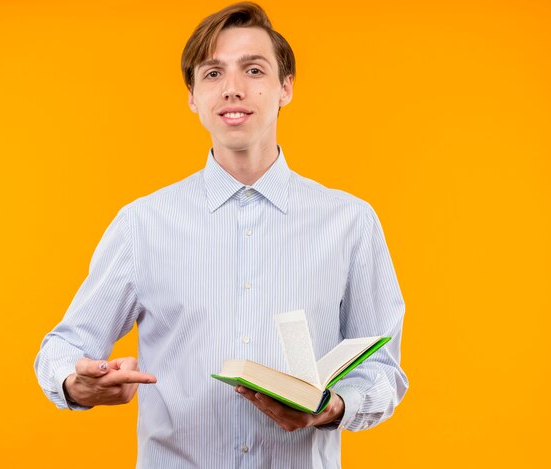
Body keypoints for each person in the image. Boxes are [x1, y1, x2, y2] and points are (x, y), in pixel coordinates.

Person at [34, 2, 408, 467]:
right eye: (212, 74)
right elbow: (64, 347)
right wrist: (77, 382)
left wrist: (333, 407)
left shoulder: (350, 222)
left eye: (253, 70)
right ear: (192, 95)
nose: (232, 89)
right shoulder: (142, 224)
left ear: (285, 87)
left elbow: (382, 371)